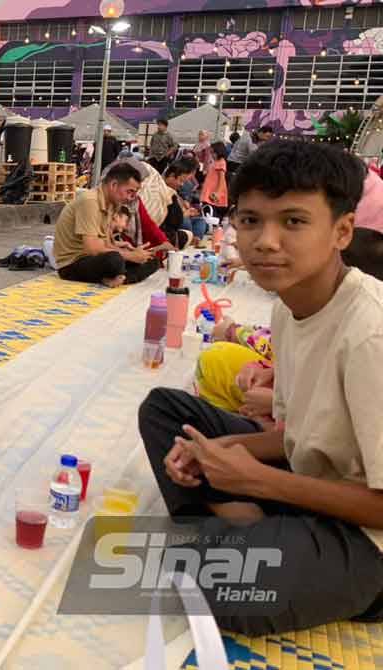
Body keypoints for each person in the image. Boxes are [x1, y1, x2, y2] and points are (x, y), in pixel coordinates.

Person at [138, 140, 383, 636]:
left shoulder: (369, 334)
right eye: (250, 221)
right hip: (314, 482)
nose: (266, 241)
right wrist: (223, 449)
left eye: (293, 221)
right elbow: (296, 435)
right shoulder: (289, 306)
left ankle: (273, 540)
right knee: (164, 411)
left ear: (342, 231)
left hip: (368, 532)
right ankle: (253, 526)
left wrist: (257, 480)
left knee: (211, 579)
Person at [53, 162, 157, 287]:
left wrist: (134, 252)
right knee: (114, 260)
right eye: (129, 191)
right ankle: (120, 276)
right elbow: (92, 249)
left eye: (134, 193)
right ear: (113, 185)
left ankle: (119, 278)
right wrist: (130, 256)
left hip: (94, 258)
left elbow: (106, 245)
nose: (131, 197)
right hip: (72, 263)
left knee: (151, 260)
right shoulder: (90, 201)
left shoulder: (112, 203)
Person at [201, 140, 229, 214]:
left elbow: (222, 179)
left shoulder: (221, 162)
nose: (212, 155)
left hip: (213, 191)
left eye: (213, 153)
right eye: (211, 153)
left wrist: (218, 193)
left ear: (219, 152)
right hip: (210, 190)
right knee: (208, 210)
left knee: (210, 212)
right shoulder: (216, 162)